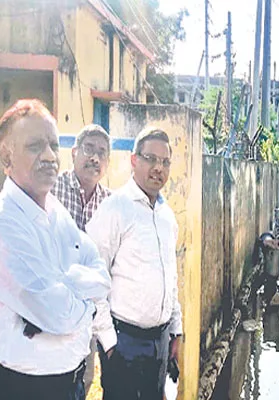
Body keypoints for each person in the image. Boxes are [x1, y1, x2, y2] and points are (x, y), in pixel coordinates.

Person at [0, 99, 111, 399]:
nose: (49, 156)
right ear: (6, 158)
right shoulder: (2, 223)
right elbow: (57, 313)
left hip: (69, 385)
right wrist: (91, 306)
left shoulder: (56, 212)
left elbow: (101, 274)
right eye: (34, 146)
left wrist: (63, 281)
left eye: (53, 146)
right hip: (21, 388)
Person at [87, 127, 183, 399]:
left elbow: (170, 277)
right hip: (124, 342)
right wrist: (108, 342)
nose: (158, 168)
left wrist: (176, 329)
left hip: (160, 342)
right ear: (133, 160)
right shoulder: (115, 208)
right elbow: (93, 279)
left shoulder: (167, 217)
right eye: (150, 159)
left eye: (165, 162)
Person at [51, 124, 112, 396]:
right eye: (89, 149)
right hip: (49, 309)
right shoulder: (51, 189)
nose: (95, 158)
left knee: (83, 382)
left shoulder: (110, 203)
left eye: (102, 153)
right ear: (74, 152)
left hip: (88, 315)